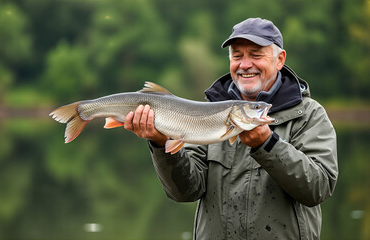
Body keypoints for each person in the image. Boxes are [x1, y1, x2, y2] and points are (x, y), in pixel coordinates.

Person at [124, 18, 338, 240]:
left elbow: (319, 188)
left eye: (256, 55)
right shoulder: (206, 113)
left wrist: (267, 145)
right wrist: (160, 143)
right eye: (237, 55)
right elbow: (184, 191)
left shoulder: (309, 114)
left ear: (279, 60)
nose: (245, 64)